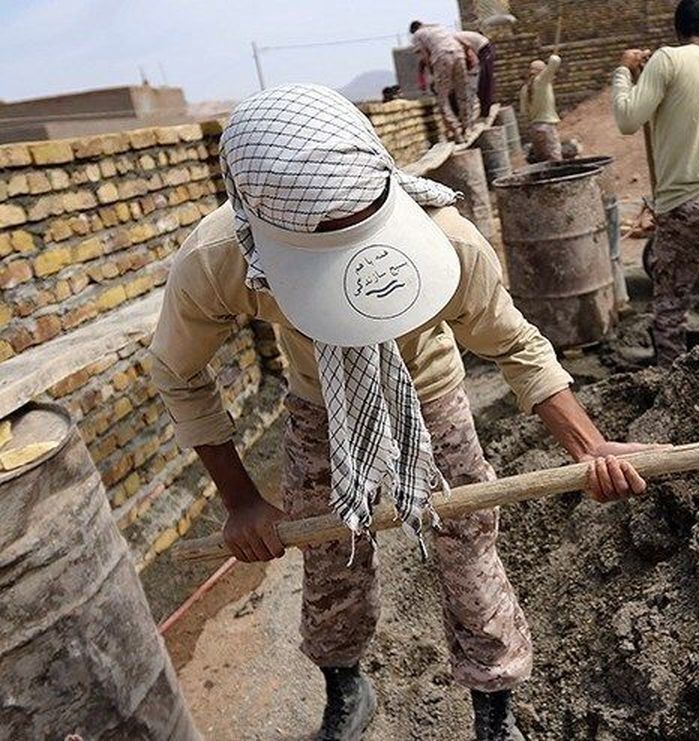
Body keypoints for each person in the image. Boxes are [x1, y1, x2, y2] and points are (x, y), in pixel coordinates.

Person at [149, 85, 655, 741]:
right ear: (258, 223)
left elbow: (516, 342)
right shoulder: (219, 260)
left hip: (430, 387)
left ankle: (494, 708)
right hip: (318, 403)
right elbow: (175, 370)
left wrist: (589, 446)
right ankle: (345, 685)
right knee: (328, 553)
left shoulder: (446, 238)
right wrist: (241, 499)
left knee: (466, 539)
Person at [611, 0, 699, 366]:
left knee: (672, 301)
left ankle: (670, 379)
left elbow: (628, 119)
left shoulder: (668, 59)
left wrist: (624, 73)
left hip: (687, 201)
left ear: (677, 30)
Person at [411, 21, 476, 142]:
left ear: (413, 30)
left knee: (442, 99)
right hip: (459, 54)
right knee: (463, 92)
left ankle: (457, 131)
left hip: (442, 57)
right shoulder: (439, 28)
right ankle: (468, 128)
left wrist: (432, 72)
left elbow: (424, 55)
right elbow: (462, 43)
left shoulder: (417, 35)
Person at [520, 54, 563, 163]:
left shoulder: (524, 89)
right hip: (547, 126)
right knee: (555, 159)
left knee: (542, 161)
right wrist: (554, 57)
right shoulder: (541, 82)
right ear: (541, 71)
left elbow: (524, 112)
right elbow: (555, 62)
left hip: (534, 128)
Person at [457, 29, 497, 117]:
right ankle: (484, 109)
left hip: (484, 48)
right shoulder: (451, 38)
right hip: (481, 50)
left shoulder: (451, 39)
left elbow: (467, 48)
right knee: (482, 80)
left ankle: (485, 111)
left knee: (485, 80)